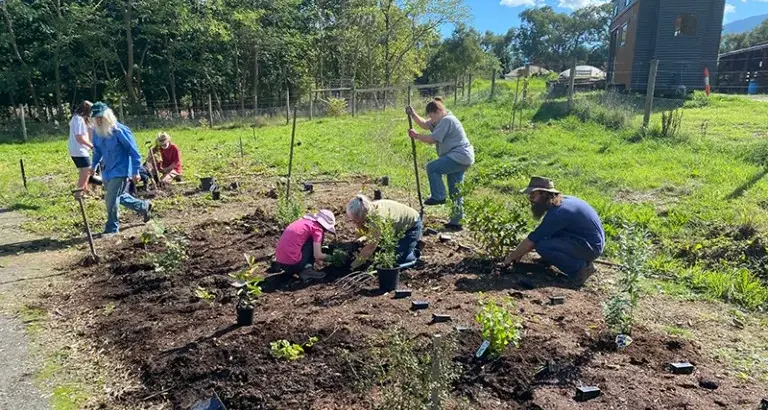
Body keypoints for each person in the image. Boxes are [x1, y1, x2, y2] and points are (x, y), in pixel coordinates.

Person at [502, 177, 605, 283]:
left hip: (590, 247)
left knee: (542, 246)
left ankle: (581, 269)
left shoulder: (559, 212)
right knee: (546, 237)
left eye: (533, 195)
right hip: (587, 241)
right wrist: (519, 253)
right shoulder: (562, 202)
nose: (530, 199)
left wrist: (510, 258)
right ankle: (553, 259)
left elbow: (532, 240)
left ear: (544, 194)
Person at [406, 97, 474, 230]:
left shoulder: (447, 120)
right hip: (462, 158)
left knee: (432, 168)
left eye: (433, 116)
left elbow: (432, 139)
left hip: (458, 156)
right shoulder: (440, 119)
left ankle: (439, 196)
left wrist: (416, 136)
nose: (432, 120)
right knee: (455, 189)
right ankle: (456, 220)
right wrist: (413, 114)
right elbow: (425, 124)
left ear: (438, 111)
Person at [89, 102, 152, 234]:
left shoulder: (120, 131)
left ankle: (112, 228)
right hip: (107, 171)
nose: (98, 121)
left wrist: (135, 171)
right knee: (119, 196)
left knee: (111, 198)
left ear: (108, 117)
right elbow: (98, 151)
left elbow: (134, 152)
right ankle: (143, 206)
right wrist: (93, 166)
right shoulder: (97, 132)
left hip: (121, 170)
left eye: (101, 118)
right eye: (96, 118)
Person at [346, 195, 422, 269]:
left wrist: (353, 265)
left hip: (410, 226)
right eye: (352, 220)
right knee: (381, 253)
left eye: (356, 221)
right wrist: (356, 245)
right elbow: (360, 230)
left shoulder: (377, 220)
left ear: (365, 215)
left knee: (396, 260)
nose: (354, 223)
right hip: (392, 228)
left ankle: (414, 251)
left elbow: (371, 247)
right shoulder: (367, 211)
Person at [274, 210, 336, 281]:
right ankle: (307, 270)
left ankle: (303, 269)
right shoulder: (317, 229)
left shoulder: (302, 222)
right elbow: (317, 255)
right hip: (294, 265)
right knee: (313, 241)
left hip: (281, 262)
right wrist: (332, 258)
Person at [68, 101, 94, 194]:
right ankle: (79, 193)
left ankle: (85, 190)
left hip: (75, 149)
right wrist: (91, 146)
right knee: (86, 171)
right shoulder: (78, 119)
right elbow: (79, 137)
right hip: (79, 150)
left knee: (84, 170)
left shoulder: (77, 118)